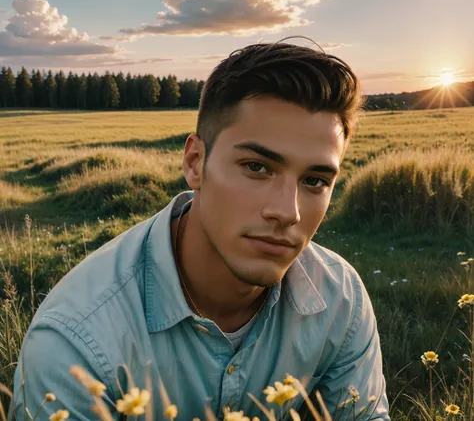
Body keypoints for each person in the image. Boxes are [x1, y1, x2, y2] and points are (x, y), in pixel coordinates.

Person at [10, 38, 390, 421]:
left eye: (315, 181)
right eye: (257, 167)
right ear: (195, 163)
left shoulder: (342, 302)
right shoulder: (76, 341)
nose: (286, 212)